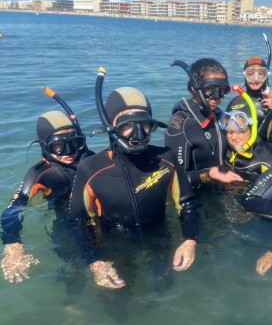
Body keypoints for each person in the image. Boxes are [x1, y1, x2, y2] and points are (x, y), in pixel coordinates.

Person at [69, 73, 200, 289]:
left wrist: (190, 240)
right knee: (119, 304)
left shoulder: (165, 158)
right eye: (127, 125)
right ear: (112, 127)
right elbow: (78, 222)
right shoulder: (91, 168)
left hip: (159, 238)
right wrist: (94, 261)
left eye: (146, 125)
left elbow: (187, 203)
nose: (138, 134)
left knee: (164, 289)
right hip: (115, 245)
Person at [1, 94, 92, 283]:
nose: (69, 151)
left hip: (99, 216)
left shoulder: (90, 158)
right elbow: (12, 210)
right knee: (74, 270)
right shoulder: (40, 174)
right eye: (58, 145)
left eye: (74, 142)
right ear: (44, 146)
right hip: (67, 221)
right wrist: (13, 245)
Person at [164, 58, 243, 189]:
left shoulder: (218, 116)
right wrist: (208, 175)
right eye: (210, 89)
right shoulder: (180, 125)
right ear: (193, 89)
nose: (217, 96)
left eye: (222, 89)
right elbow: (175, 180)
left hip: (222, 187)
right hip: (195, 198)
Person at [220, 85, 272, 182]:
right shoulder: (222, 150)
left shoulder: (264, 159)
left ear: (252, 130)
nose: (234, 138)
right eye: (230, 132)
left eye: (240, 132)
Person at [227, 56, 272, 139]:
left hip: (268, 149)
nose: (255, 79)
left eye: (260, 74)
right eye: (250, 74)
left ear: (266, 76)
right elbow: (227, 129)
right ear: (244, 76)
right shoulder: (235, 102)